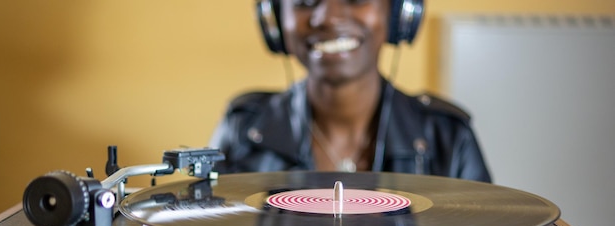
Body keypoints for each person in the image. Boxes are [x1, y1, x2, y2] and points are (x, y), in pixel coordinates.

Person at [209, 0, 491, 182]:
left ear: (398, 14)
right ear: (274, 20)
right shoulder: (242, 128)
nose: (328, 17)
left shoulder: (449, 137)